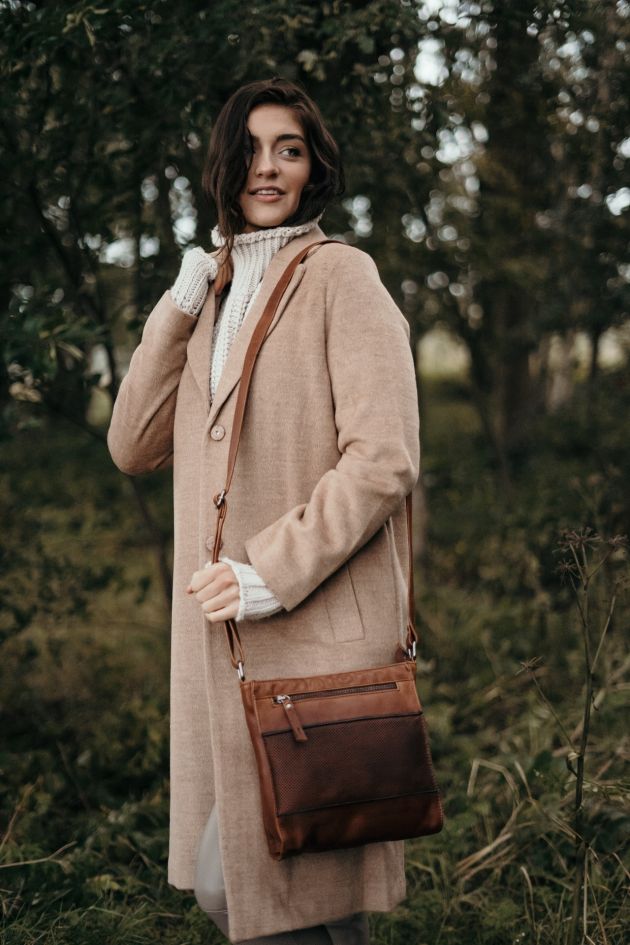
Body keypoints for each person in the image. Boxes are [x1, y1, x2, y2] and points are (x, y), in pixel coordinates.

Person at [107, 76, 420, 944]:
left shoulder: (343, 276)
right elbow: (132, 444)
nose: (268, 167)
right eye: (249, 149)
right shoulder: (207, 297)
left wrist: (268, 572)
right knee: (283, 892)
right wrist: (179, 304)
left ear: (315, 166)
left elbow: (384, 458)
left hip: (311, 638)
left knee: (271, 886)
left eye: (289, 149)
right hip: (222, 652)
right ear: (222, 165)